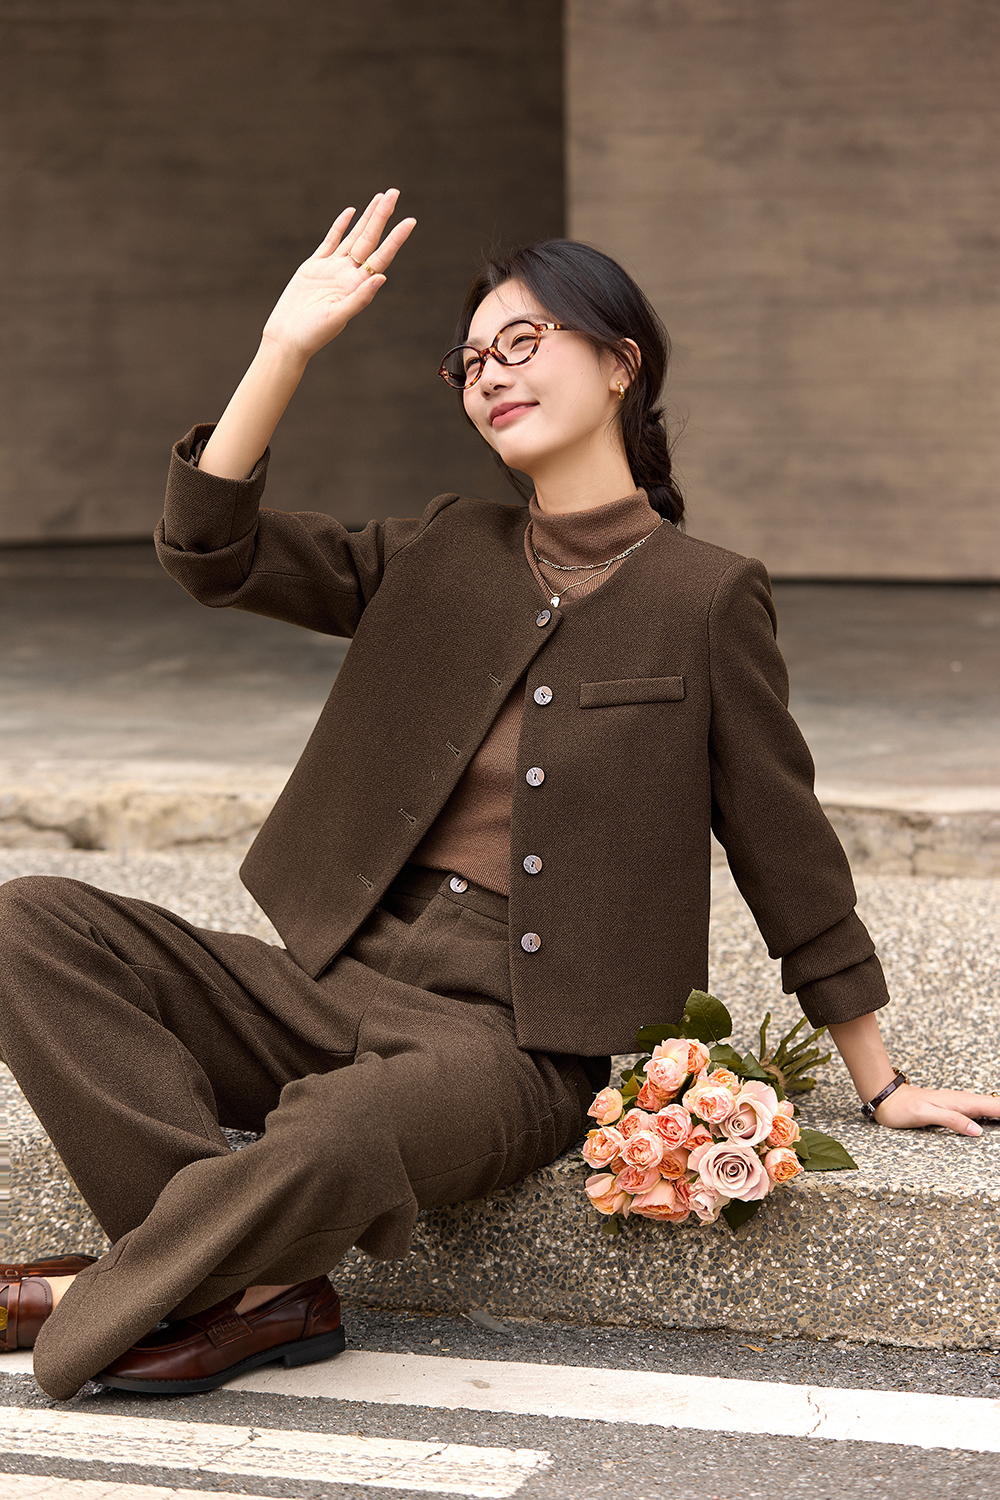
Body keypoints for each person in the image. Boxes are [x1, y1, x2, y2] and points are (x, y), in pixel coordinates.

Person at [2, 189, 997, 1402]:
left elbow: (784, 845)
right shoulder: (440, 547)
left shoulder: (707, 596)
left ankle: (93, 1295)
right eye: (470, 361)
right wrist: (284, 348)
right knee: (31, 919)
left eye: (520, 343)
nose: (489, 375)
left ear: (620, 362)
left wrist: (880, 1081)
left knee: (333, 1136)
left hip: (517, 1048)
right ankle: (246, 1285)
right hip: (324, 986)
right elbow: (212, 549)